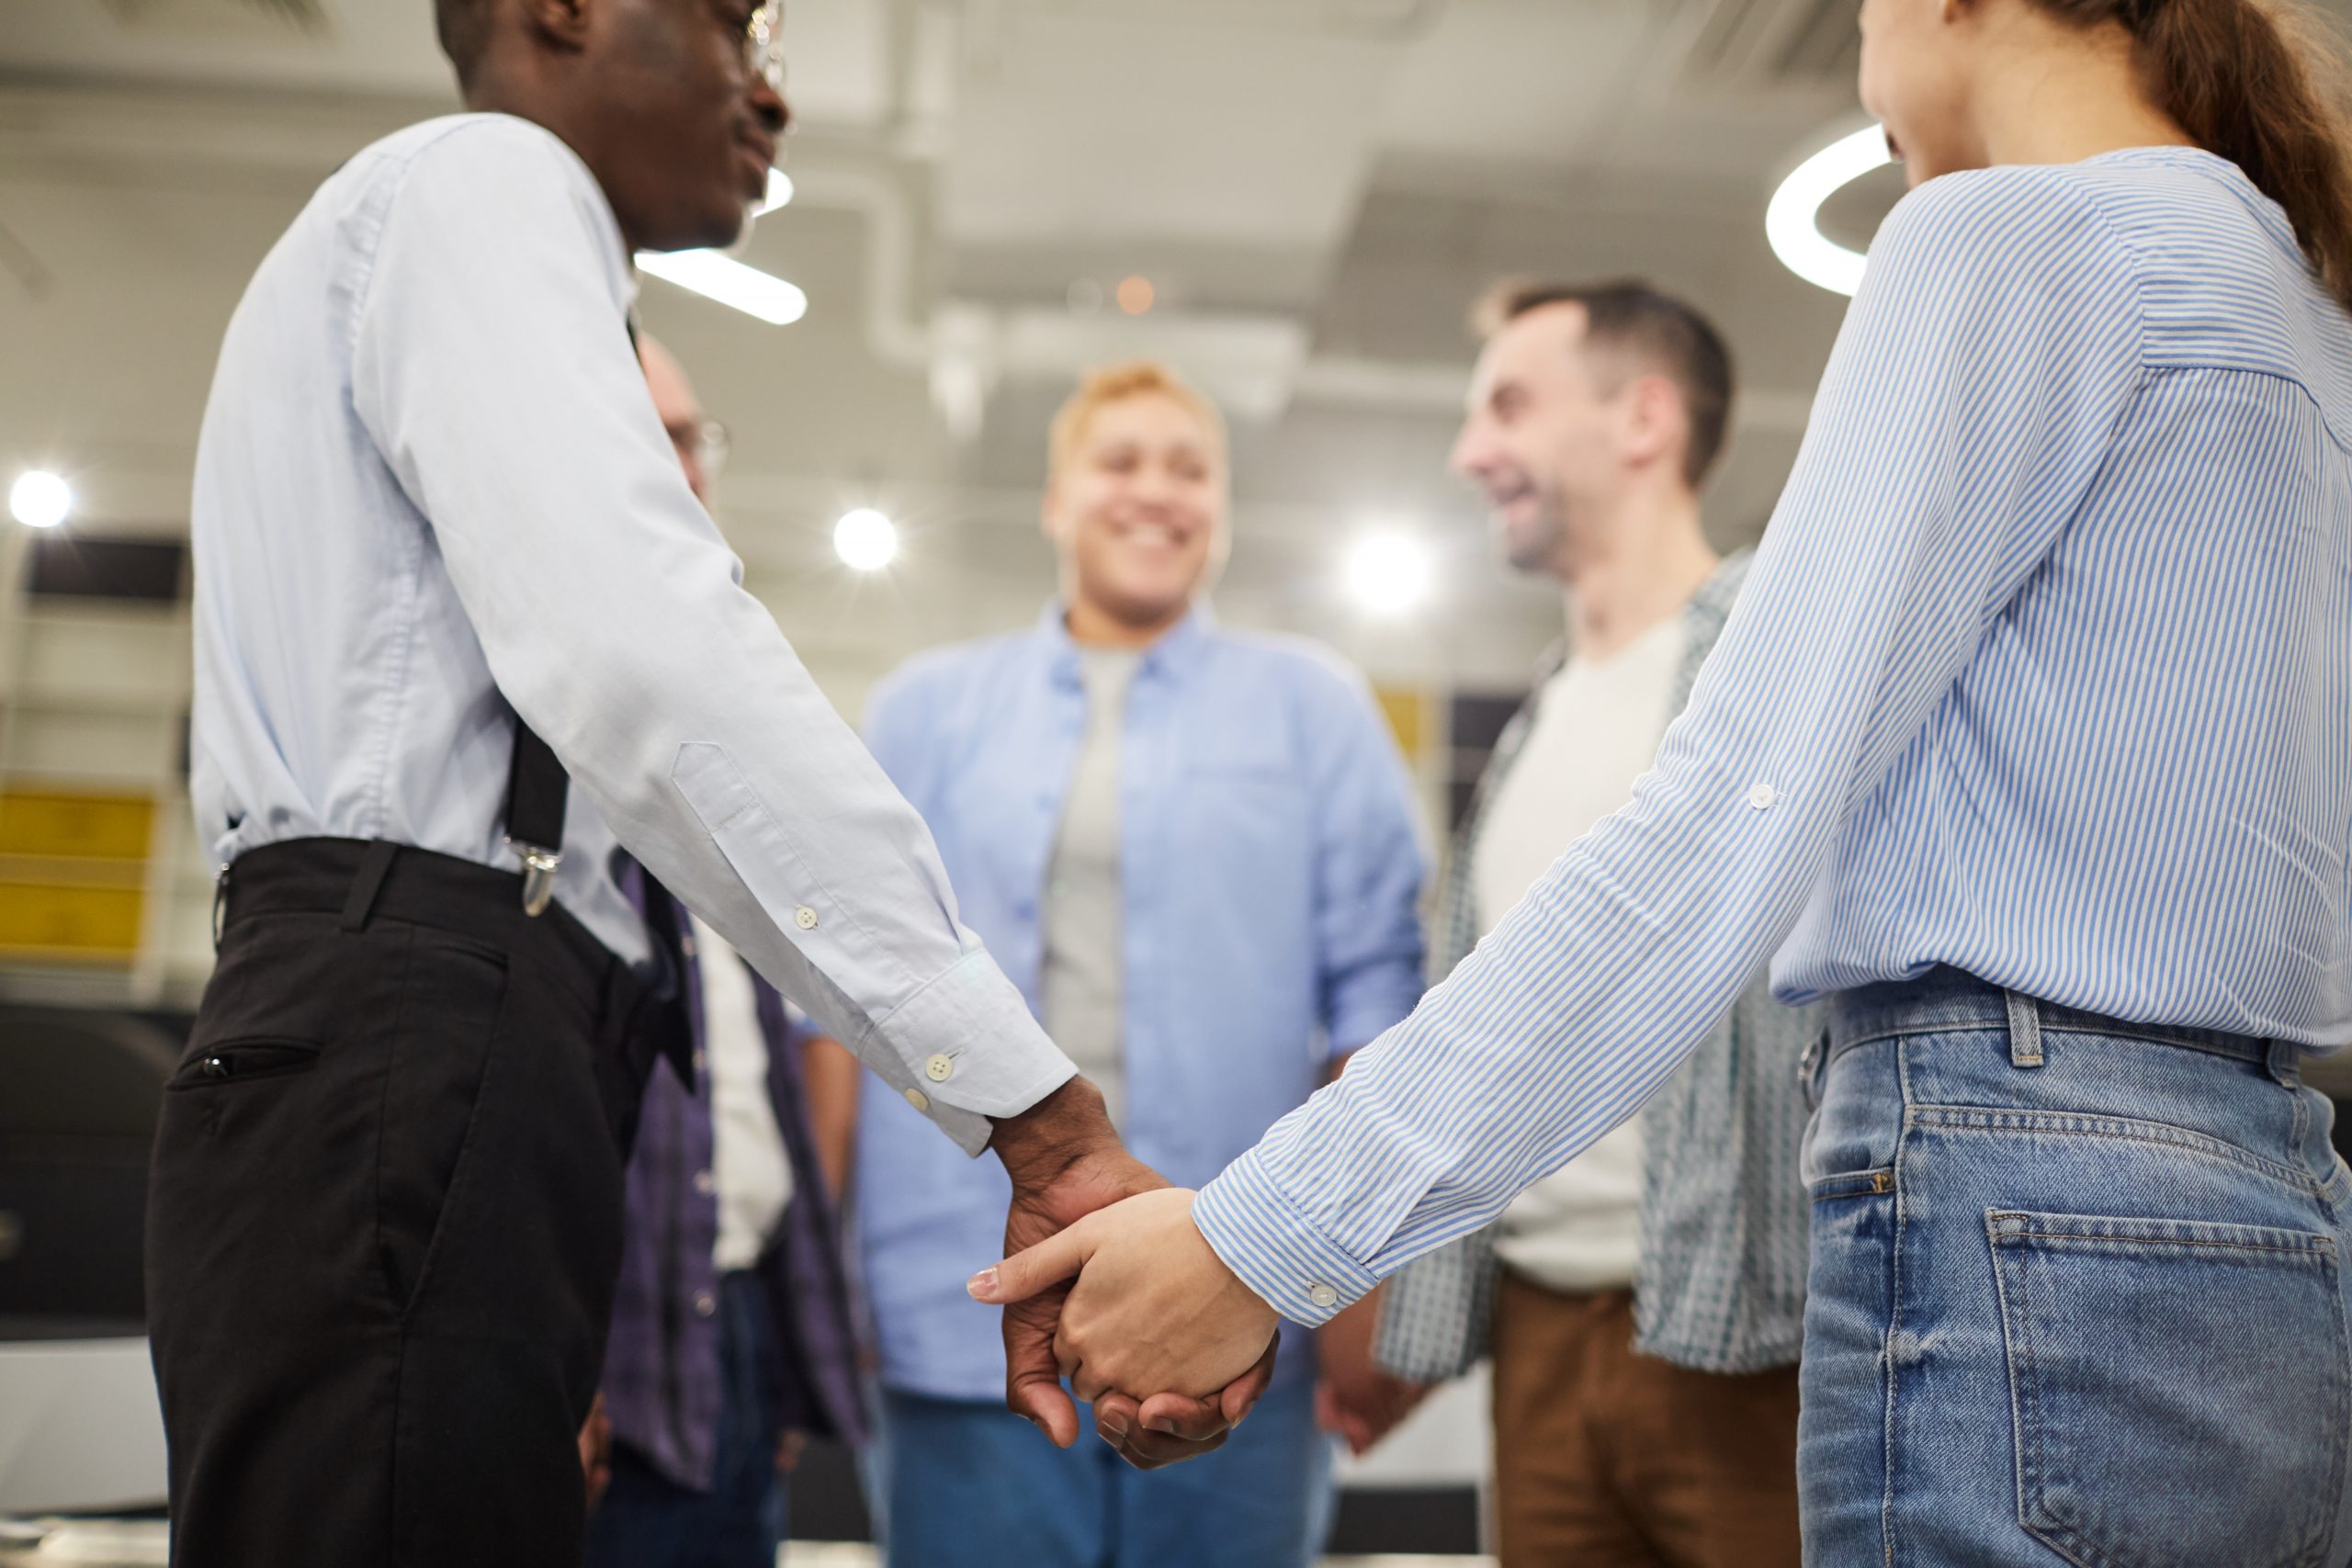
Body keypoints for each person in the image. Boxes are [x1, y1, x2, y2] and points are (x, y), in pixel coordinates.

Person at [978, 3, 2352, 1563]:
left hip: (2010, 1196)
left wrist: (1260, 1236)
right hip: (2268, 1199)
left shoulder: (2009, 236)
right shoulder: (2300, 305)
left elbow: (1722, 827)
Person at [149, 4, 1260, 1564]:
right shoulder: (483, 179)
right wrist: (1040, 1116)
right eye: (741, 21)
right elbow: (649, 660)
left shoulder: (443, 236)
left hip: (433, 1036)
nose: (773, 91)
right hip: (413, 1025)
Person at [854, 361, 1428, 1567]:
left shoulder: (1315, 709)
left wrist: (1368, 1292)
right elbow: (844, 1006)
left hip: (1242, 1285)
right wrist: (825, 1277)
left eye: (1190, 469)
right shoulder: (922, 712)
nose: (1156, 492)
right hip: (953, 1292)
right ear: (1056, 499)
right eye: (1119, 461)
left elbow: (1377, 1013)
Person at [1371, 279, 1818, 1566]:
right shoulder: (1540, 716)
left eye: (1509, 406)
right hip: (1539, 1326)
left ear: (1644, 420)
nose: (1471, 453)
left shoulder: (1776, 663)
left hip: (1748, 1331)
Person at [580, 335, 866, 1568]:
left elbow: (771, 1055)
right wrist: (547, 1356)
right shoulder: (515, 702)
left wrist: (785, 1339)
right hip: (595, 1350)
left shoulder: (716, 706)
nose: (686, 467)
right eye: (654, 435)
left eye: (693, 438)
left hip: (734, 1323)